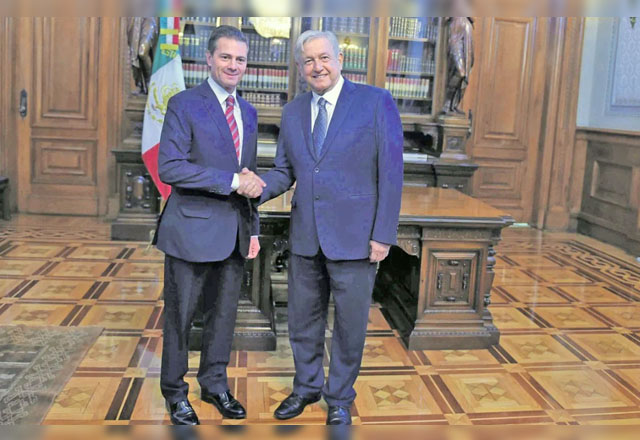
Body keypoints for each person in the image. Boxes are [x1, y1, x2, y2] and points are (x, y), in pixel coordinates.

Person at [259, 30, 404, 425]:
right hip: (306, 236)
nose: (317, 66)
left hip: (357, 238)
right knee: (303, 320)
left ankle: (339, 397)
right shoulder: (292, 112)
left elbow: (391, 173)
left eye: (324, 57)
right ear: (300, 67)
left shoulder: (375, 102)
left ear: (340, 59)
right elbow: (285, 171)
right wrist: (253, 189)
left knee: (350, 324)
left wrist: (383, 234)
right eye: (308, 60)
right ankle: (306, 387)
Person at [156, 25, 266, 425]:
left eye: (240, 59)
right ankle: (175, 392)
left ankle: (215, 384)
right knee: (180, 318)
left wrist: (253, 228)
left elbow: (248, 175)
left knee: (223, 317)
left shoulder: (248, 112)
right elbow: (170, 167)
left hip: (234, 232)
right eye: (225, 57)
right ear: (208, 58)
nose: (233, 65)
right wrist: (232, 181)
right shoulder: (184, 104)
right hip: (190, 232)